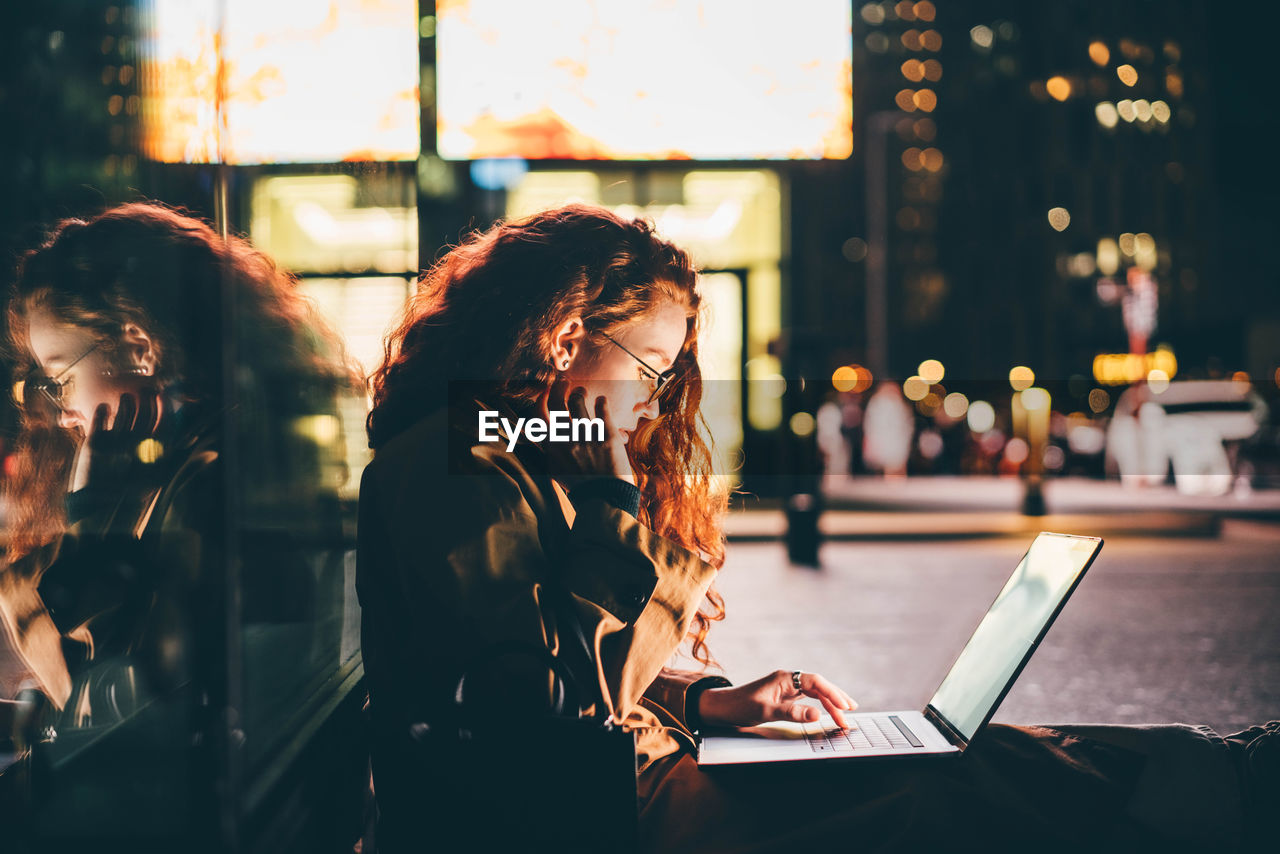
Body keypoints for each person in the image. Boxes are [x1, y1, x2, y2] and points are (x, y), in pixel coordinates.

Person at [358, 203, 1276, 852]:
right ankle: (1241, 788)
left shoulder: (512, 446)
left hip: (618, 796)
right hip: (604, 821)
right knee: (960, 783)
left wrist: (709, 702)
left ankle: (1234, 772)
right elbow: (552, 717)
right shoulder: (464, 464)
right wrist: (613, 513)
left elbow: (569, 681)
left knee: (977, 757)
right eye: (653, 365)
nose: (655, 400)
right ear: (565, 336)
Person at [0, 202, 357, 842]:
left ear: (139, 348)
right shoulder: (223, 454)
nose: (57, 410)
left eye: (58, 378)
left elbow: (115, 701)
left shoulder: (209, 481)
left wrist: (88, 511)